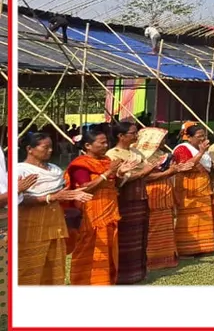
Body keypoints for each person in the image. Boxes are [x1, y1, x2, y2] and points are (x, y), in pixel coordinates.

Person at [17, 132, 92, 285]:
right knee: (28, 269)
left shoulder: (55, 170)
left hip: (55, 224)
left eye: (51, 147)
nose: (50, 150)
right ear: (29, 149)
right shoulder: (20, 171)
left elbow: (62, 194)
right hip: (30, 226)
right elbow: (18, 198)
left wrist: (71, 195)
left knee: (54, 268)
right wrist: (51, 197)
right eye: (45, 147)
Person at [65, 126, 123, 285]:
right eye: (102, 143)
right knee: (89, 247)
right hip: (91, 214)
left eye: (107, 142)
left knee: (108, 247)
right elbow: (84, 187)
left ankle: (105, 282)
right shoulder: (81, 164)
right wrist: (107, 173)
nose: (106, 146)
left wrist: (121, 173)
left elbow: (112, 184)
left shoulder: (106, 161)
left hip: (109, 211)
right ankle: (84, 282)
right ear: (87, 146)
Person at [107, 121, 162, 283]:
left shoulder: (135, 152)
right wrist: (144, 172)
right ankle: (122, 274)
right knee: (125, 236)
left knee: (140, 234)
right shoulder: (113, 154)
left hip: (140, 197)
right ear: (121, 136)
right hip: (124, 199)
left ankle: (137, 272)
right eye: (132, 133)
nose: (136, 136)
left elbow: (146, 171)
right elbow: (118, 178)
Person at [172, 123, 214, 256]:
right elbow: (188, 165)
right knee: (189, 217)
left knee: (204, 216)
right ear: (189, 137)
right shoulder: (182, 148)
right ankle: (186, 249)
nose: (202, 139)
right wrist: (201, 152)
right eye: (199, 136)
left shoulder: (202, 150)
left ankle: (204, 246)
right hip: (188, 187)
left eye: (204, 136)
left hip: (202, 187)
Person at [140, 141, 181, 270]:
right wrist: (168, 173)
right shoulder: (141, 156)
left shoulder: (162, 154)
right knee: (153, 227)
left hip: (165, 191)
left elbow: (170, 171)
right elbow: (144, 177)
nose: (164, 141)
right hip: (152, 192)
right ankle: (151, 259)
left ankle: (167, 257)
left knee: (166, 226)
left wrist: (175, 171)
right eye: (161, 139)